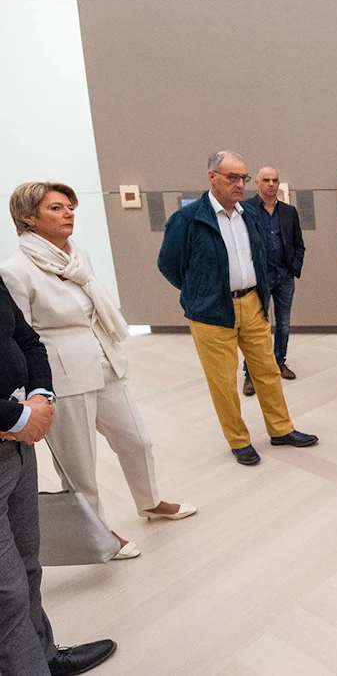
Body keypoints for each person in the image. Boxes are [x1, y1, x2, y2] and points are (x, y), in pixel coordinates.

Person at [2, 182, 196, 562]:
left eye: (70, 207)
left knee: (137, 440)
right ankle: (98, 534)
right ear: (28, 217)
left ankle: (149, 501)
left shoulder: (78, 257)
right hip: (63, 376)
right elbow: (19, 336)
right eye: (56, 208)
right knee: (79, 468)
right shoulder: (15, 271)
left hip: (104, 360)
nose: (68, 213)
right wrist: (33, 394)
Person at [158, 151, 318, 466]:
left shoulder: (249, 215)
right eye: (232, 177)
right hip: (212, 312)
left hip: (252, 304)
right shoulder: (188, 219)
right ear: (212, 177)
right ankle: (239, 440)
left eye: (243, 178)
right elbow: (169, 265)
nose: (240, 184)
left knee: (268, 370)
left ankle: (281, 429)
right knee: (223, 381)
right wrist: (201, 292)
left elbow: (258, 257)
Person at [0, 275, 117, 676]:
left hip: (17, 444)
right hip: (12, 426)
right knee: (6, 592)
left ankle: (43, 657)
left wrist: (39, 396)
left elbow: (27, 340)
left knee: (27, 566)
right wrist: (15, 417)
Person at [240, 166, 306, 396]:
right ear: (257, 183)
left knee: (284, 323)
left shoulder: (289, 212)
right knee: (255, 326)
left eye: (274, 180)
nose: (271, 184)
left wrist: (294, 267)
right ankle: (250, 373)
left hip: (284, 276)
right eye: (266, 180)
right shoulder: (245, 209)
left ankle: (279, 361)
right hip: (259, 278)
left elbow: (299, 244)